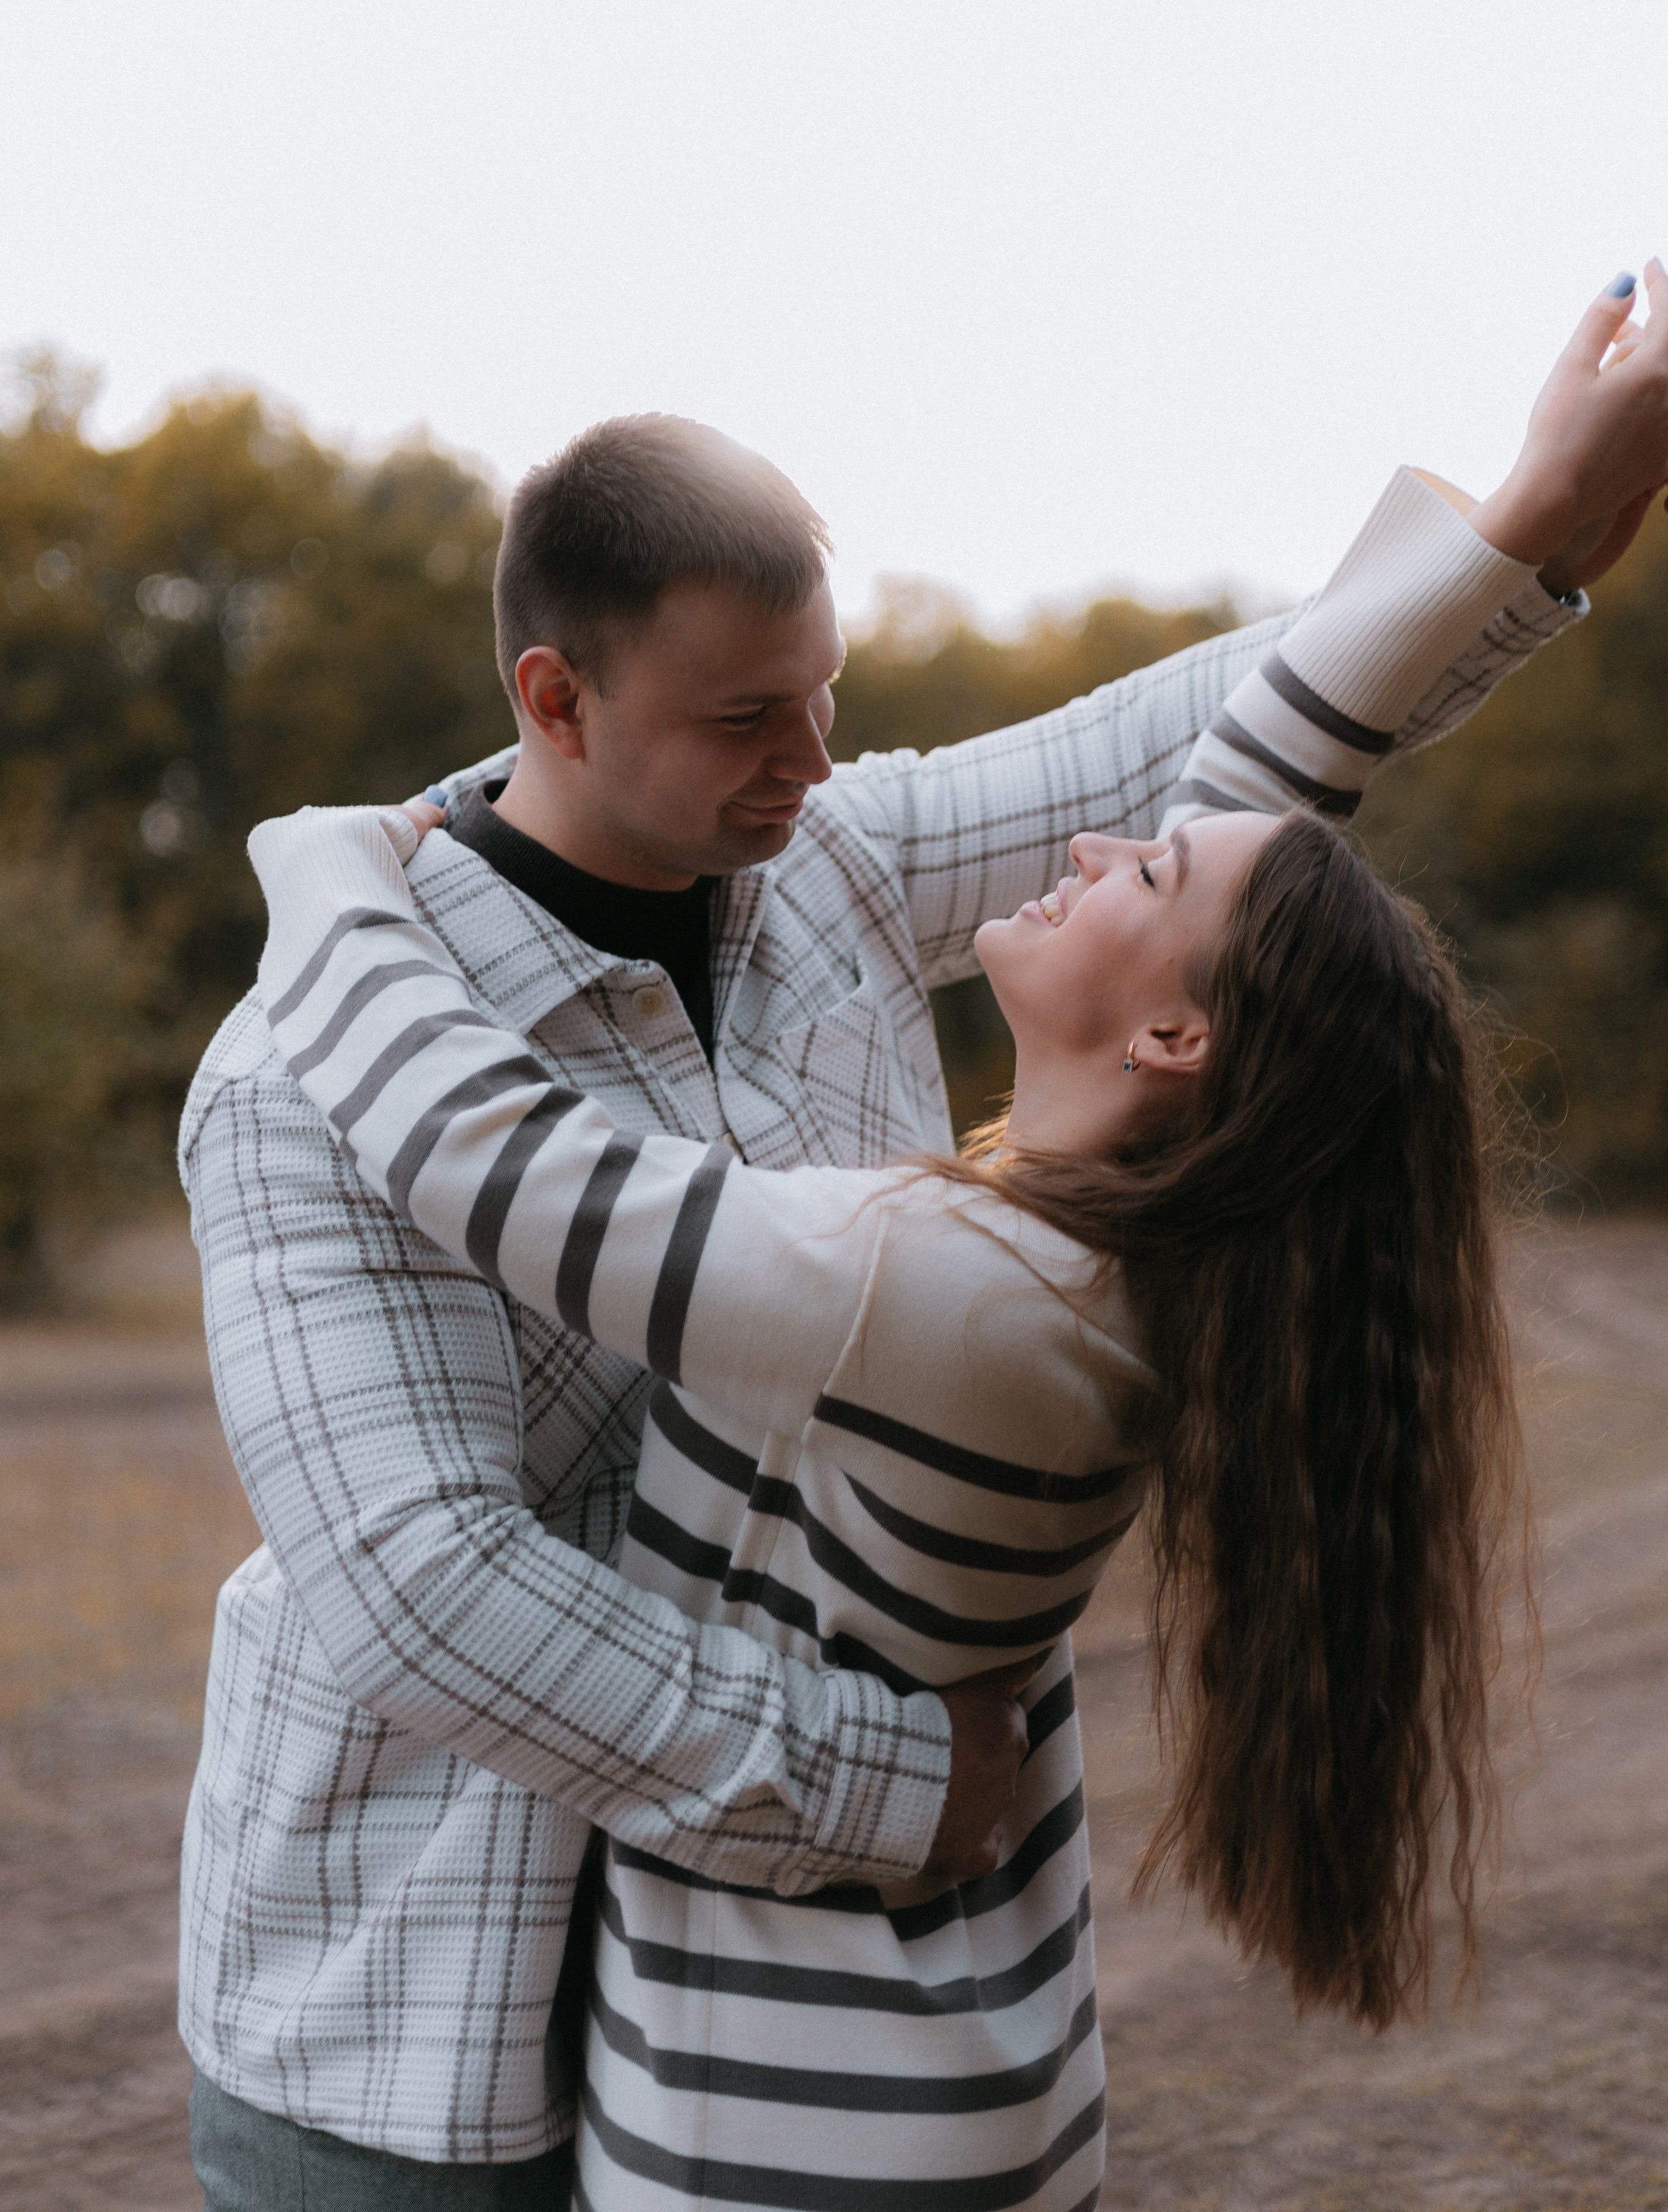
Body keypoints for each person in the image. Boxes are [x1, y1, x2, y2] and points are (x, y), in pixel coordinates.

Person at [181, 267, 1662, 2205]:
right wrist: (884, 1784)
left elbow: (1192, 772)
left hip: (770, 2043)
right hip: (432, 2013)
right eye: (746, 720)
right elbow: (418, 1585)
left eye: (827, 700)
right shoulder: (296, 1076)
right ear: (555, 698)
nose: (810, 765)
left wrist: (1528, 531)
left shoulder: (829, 878)